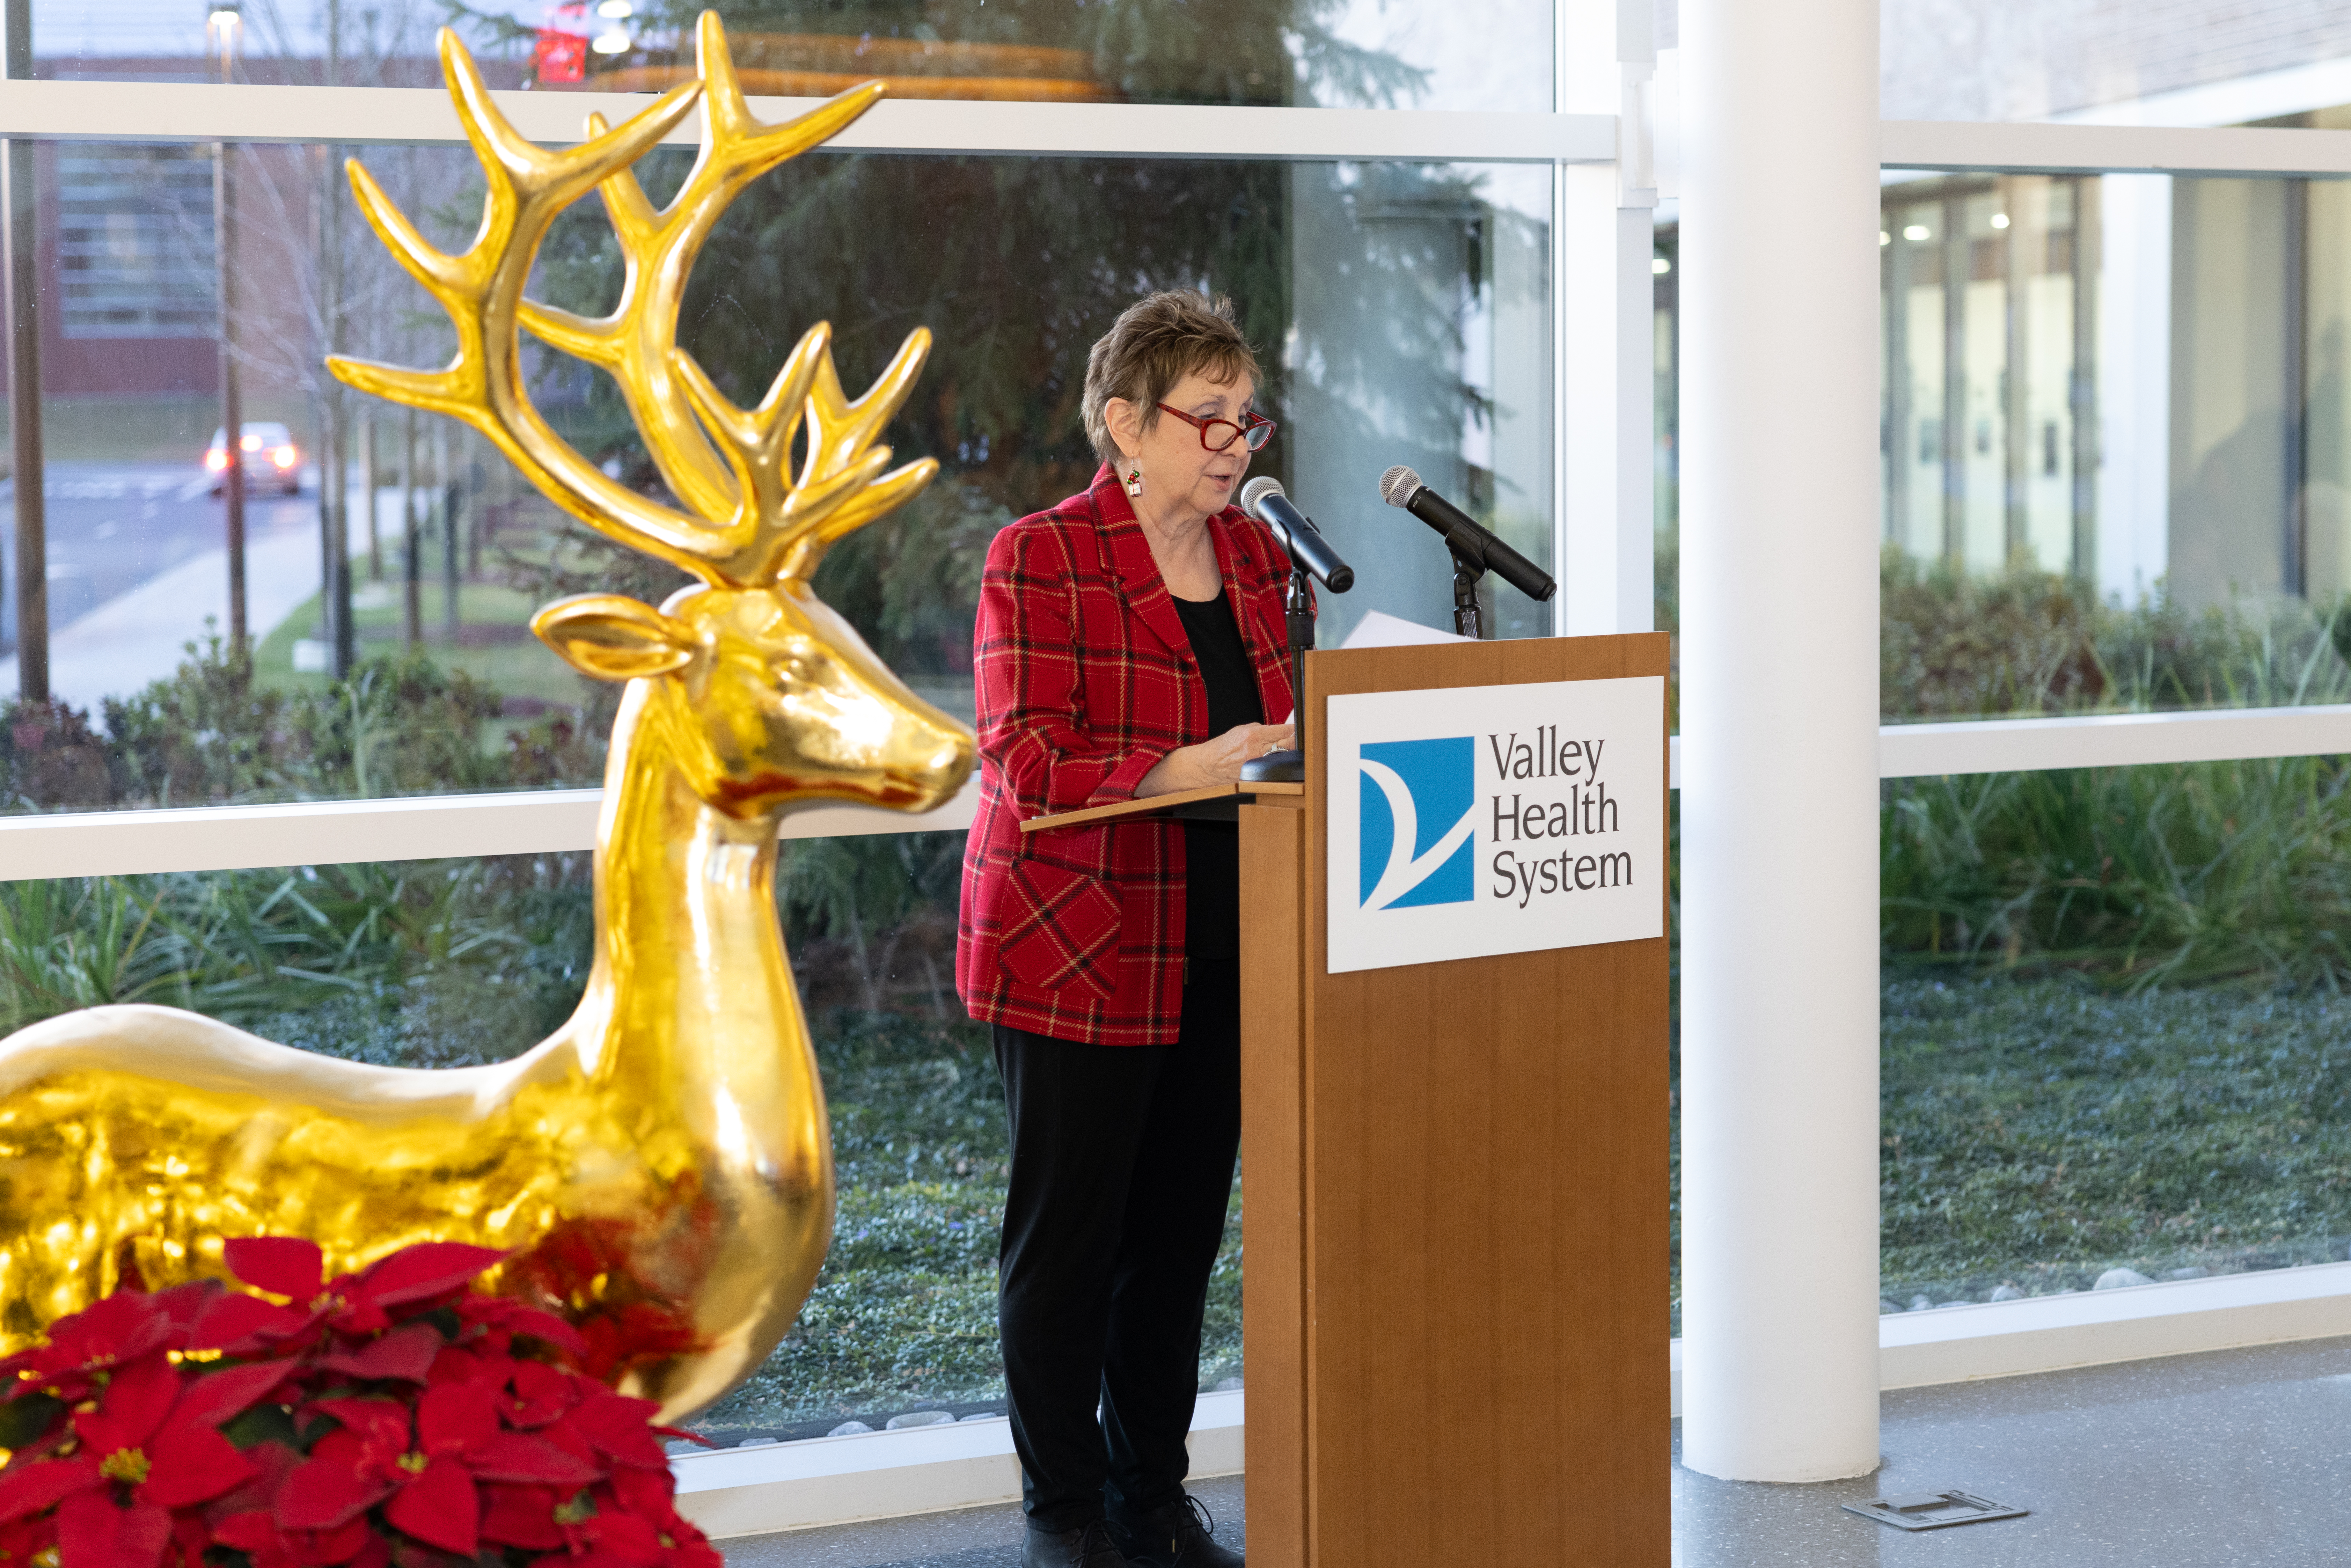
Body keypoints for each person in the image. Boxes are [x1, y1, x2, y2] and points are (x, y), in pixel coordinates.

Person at [957, 290, 1294, 1568]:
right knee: (1068, 1243)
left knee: (1174, 1245)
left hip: (1229, 948)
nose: (1231, 443)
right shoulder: (1036, 555)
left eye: (1244, 420)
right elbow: (1026, 760)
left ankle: (1151, 1495)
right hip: (1076, 945)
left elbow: (1298, 734)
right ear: (1123, 426)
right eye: (1206, 417)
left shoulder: (1265, 561)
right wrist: (1196, 765)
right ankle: (1063, 1513)